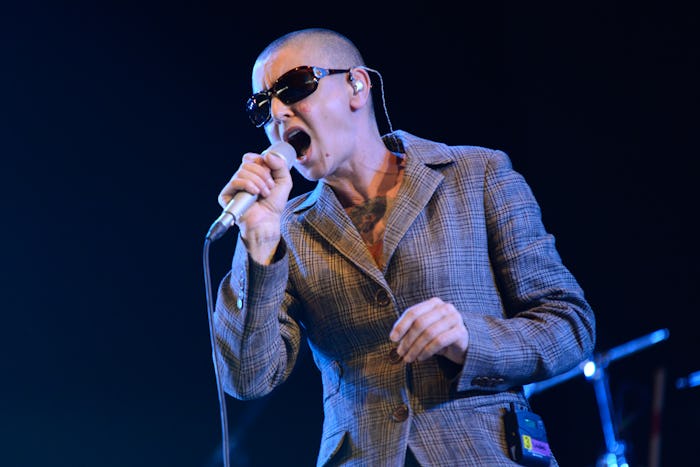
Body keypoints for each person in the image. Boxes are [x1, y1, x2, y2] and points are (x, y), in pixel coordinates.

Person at [212, 27, 596, 466]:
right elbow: (247, 377)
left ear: (357, 85)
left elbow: (570, 324)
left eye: (295, 87)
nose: (278, 112)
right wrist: (258, 242)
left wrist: (471, 338)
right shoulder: (286, 229)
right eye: (262, 106)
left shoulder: (476, 174)